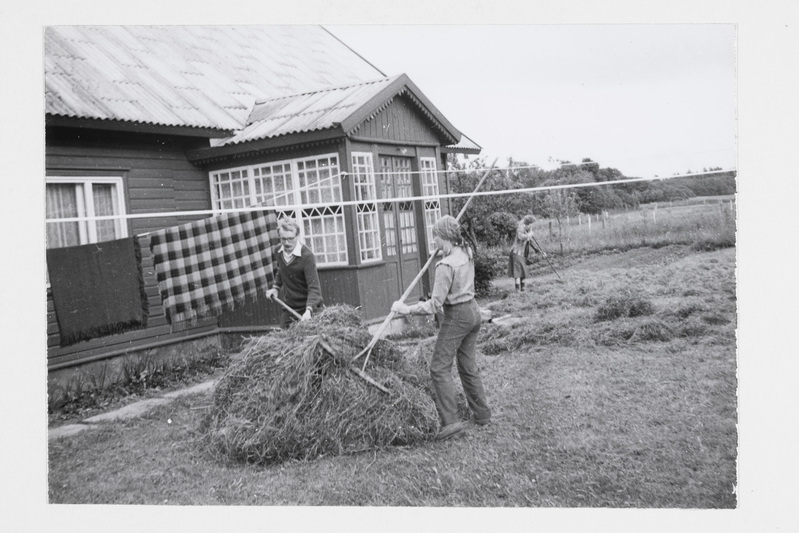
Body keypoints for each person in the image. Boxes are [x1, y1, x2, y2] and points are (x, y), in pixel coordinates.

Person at [391, 215, 491, 441]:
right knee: (467, 364)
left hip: (457, 316)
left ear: (444, 237)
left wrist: (405, 309)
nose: (433, 241)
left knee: (438, 367)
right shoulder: (466, 253)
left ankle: (452, 422)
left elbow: (434, 304)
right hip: (474, 311)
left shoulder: (445, 266)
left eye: (435, 237)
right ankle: (482, 413)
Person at [265, 219, 323, 328]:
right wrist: (275, 288)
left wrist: (309, 311)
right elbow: (281, 270)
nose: (287, 243)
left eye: (290, 239)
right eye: (283, 239)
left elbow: (314, 288)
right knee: (284, 341)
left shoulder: (307, 256)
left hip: (309, 309)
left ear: (297, 236)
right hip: (289, 308)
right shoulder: (278, 251)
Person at [508, 215, 546, 292]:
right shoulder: (520, 228)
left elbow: (531, 242)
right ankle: (517, 292)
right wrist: (529, 234)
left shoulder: (527, 229)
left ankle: (523, 290)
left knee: (523, 272)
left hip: (522, 254)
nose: (533, 226)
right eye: (532, 223)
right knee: (518, 273)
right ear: (529, 222)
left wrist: (539, 251)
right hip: (516, 252)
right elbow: (520, 237)